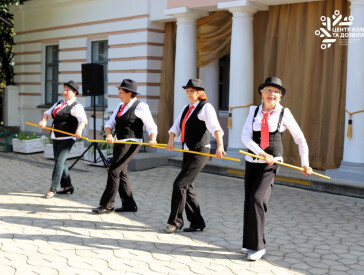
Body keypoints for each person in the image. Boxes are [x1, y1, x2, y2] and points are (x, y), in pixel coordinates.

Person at [241, 77, 313, 261]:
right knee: (250, 199)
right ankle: (248, 243)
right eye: (268, 90)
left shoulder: (284, 113)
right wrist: (260, 153)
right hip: (253, 159)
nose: (271, 94)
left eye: (275, 91)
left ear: (280, 96)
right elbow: (245, 137)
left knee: (258, 198)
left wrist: (305, 162)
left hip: (272, 163)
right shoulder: (253, 111)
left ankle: (258, 246)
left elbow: (300, 139)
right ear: (261, 93)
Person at [163, 79, 226, 233]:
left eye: (192, 90)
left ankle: (175, 222)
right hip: (188, 151)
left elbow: (215, 127)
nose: (189, 93)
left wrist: (220, 145)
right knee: (188, 186)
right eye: (187, 90)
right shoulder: (186, 108)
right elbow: (175, 127)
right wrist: (171, 140)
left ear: (200, 93)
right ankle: (197, 222)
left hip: (200, 152)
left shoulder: (206, 107)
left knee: (179, 184)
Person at [92, 79, 157, 214]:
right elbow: (109, 124)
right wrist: (109, 135)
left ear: (130, 93)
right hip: (119, 142)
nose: (119, 95)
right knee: (121, 173)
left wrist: (153, 139)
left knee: (114, 171)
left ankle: (107, 205)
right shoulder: (120, 106)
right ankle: (129, 205)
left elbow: (151, 126)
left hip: (131, 143)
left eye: (121, 92)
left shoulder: (141, 106)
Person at [39, 80, 87, 199]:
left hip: (68, 137)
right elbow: (47, 113)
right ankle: (67, 187)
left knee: (59, 161)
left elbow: (83, 120)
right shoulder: (59, 103)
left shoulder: (77, 106)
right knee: (61, 161)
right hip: (56, 135)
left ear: (75, 92)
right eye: (64, 90)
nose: (64, 92)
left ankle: (53, 188)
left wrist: (79, 130)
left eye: (67, 90)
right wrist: (44, 120)